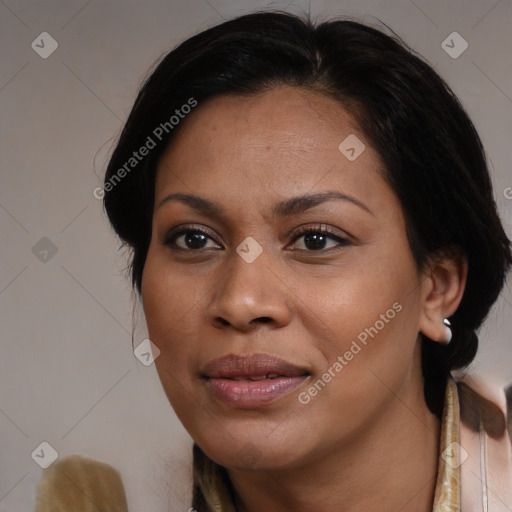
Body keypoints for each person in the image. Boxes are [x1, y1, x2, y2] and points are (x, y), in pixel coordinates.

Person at [102, 10, 512, 512]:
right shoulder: (92, 499)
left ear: (437, 286)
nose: (241, 301)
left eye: (316, 240)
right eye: (193, 239)